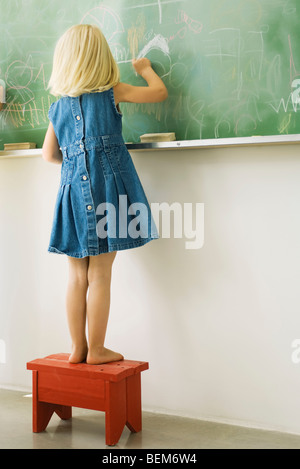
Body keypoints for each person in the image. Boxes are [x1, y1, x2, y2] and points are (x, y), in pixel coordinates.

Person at [42, 24, 168, 365]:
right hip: (107, 189)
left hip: (71, 193)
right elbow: (158, 93)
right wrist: (146, 70)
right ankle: (97, 349)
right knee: (100, 273)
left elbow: (49, 154)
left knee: (76, 275)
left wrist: (75, 163)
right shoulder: (113, 90)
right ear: (102, 58)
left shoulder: (58, 108)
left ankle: (77, 348)